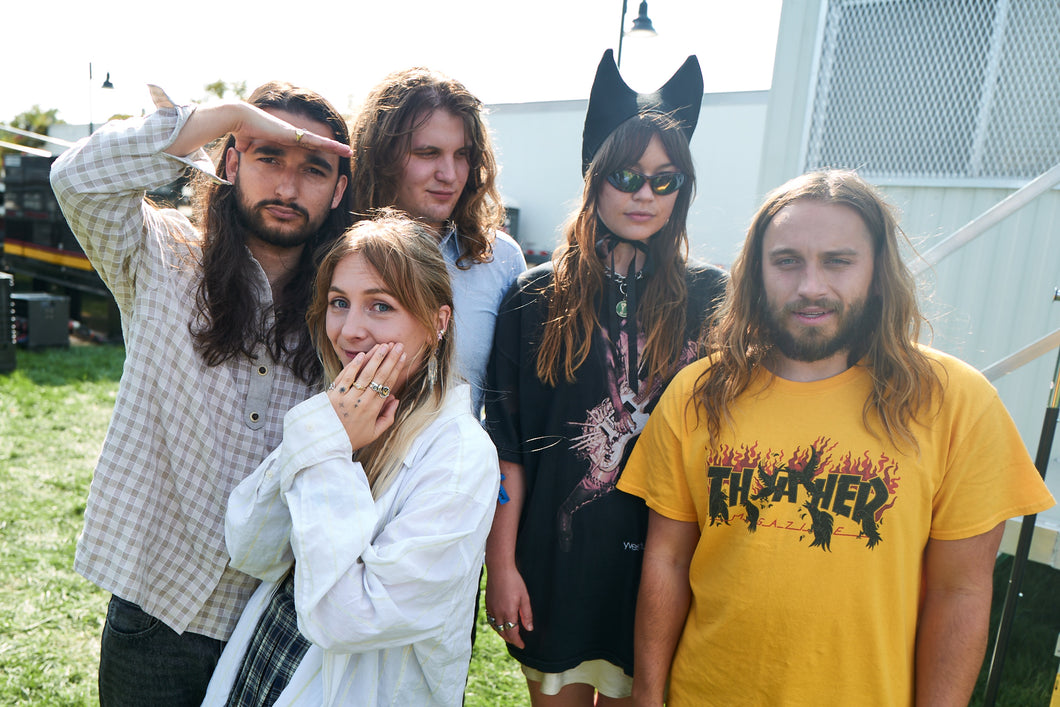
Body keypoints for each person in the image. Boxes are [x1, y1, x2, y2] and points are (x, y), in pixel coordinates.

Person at [618, 169, 1056, 706]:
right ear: (755, 274)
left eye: (838, 261)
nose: (811, 286)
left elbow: (959, 591)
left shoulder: (955, 402)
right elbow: (667, 560)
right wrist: (647, 695)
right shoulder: (699, 392)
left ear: (878, 274)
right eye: (787, 261)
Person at [50, 82, 353, 705]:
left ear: (339, 190)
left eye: (314, 169)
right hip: (157, 611)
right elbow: (76, 179)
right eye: (269, 156)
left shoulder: (346, 310)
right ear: (232, 162)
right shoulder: (159, 255)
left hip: (277, 624)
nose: (288, 187)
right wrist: (231, 115)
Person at [484, 50, 727, 705]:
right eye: (626, 176)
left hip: (660, 574)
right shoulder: (535, 297)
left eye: (665, 180)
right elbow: (507, 444)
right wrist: (501, 564)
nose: (644, 194)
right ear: (594, 178)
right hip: (556, 569)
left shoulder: (712, 298)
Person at [200, 212, 500, 706]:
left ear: (437, 323)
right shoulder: (340, 412)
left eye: (380, 306)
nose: (350, 330)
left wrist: (327, 453)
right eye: (339, 303)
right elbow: (251, 547)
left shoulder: (461, 457)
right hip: (264, 665)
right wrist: (325, 434)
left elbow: (348, 618)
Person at [349, 66, 527, 417]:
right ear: (381, 156)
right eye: (427, 153)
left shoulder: (500, 260)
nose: (450, 174)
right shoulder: (339, 251)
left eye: (462, 155)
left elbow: (512, 407)